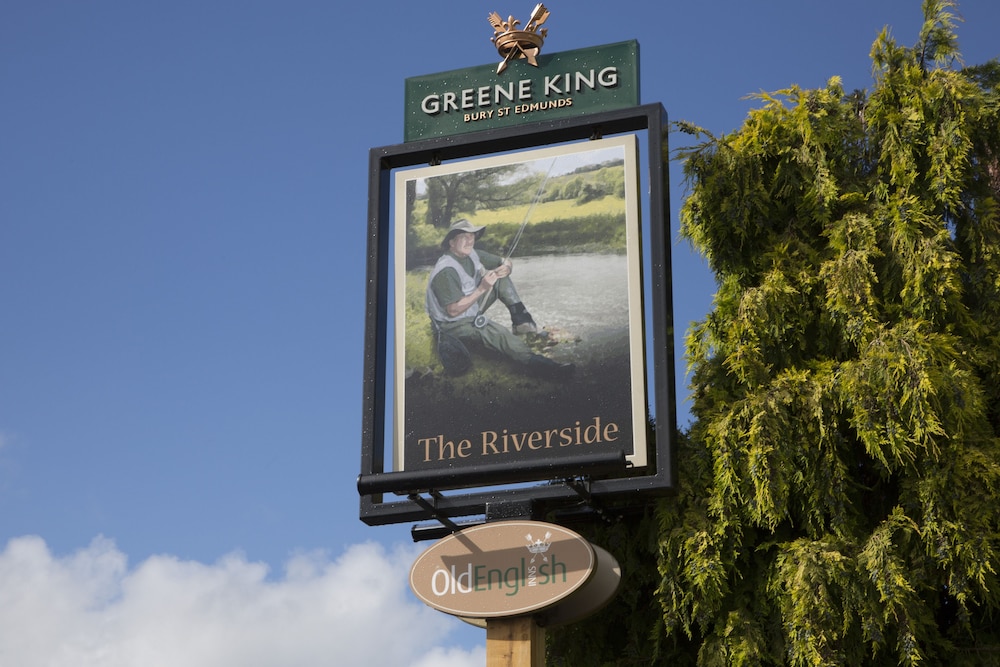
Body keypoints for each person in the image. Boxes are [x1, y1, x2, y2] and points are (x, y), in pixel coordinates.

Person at [425, 219, 573, 378]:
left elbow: (504, 261)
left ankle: (522, 323)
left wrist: (507, 268)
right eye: (463, 237)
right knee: (500, 334)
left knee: (499, 278)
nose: (470, 240)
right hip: (451, 325)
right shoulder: (446, 270)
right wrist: (482, 288)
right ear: (451, 242)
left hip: (468, 309)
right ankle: (548, 368)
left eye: (472, 236)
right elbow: (453, 311)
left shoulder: (472, 254)